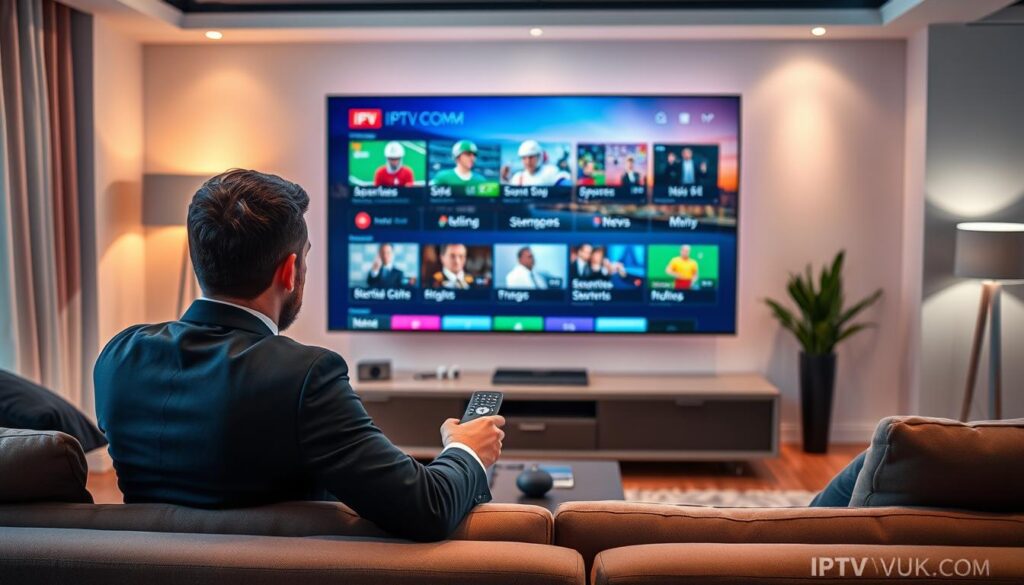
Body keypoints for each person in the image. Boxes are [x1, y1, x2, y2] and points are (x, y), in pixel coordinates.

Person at [94, 170, 505, 542]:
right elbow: (425, 509)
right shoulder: (305, 376)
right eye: (306, 257)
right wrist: (465, 449)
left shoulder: (118, 358)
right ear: (289, 271)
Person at [505, 140, 571, 187]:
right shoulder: (518, 178)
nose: (528, 162)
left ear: (539, 157)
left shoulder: (550, 171)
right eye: (524, 158)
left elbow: (564, 181)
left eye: (531, 157)